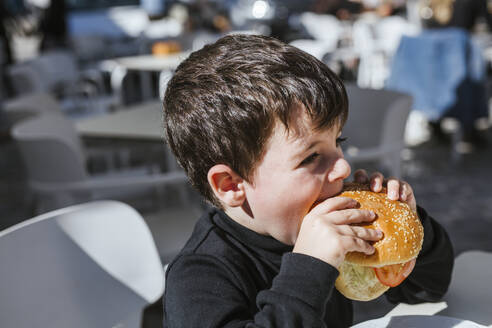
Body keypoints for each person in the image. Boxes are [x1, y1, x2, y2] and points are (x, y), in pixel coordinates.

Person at [162, 34, 454, 327]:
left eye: (337, 141)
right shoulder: (199, 276)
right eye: (311, 157)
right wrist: (310, 268)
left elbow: (428, 289)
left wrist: (409, 229)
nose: (343, 167)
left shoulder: (328, 226)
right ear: (231, 184)